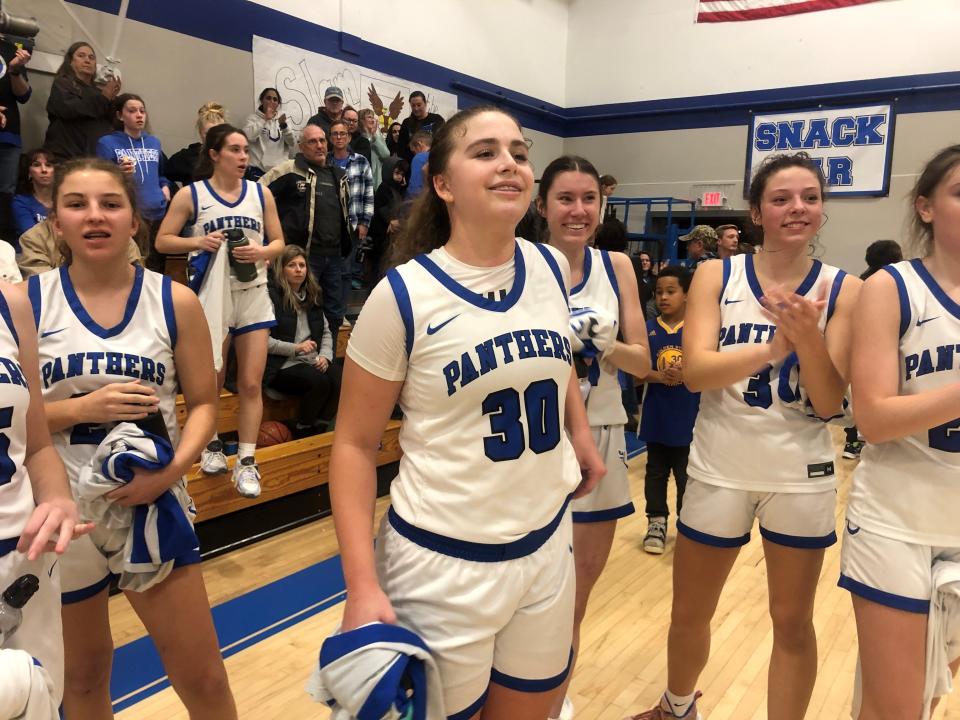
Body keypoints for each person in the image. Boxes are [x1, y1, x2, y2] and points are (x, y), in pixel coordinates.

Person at [328, 106, 605, 720]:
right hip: (441, 566)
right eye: (484, 152)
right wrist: (360, 584)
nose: (509, 162)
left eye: (519, 151)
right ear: (444, 184)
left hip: (544, 546)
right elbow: (351, 446)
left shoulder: (548, 266)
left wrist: (579, 433)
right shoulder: (400, 297)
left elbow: (554, 363)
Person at [626, 151, 860, 720]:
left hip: (798, 473)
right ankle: (677, 707)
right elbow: (696, 371)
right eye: (781, 199)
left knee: (793, 621)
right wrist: (774, 349)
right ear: (757, 211)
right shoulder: (716, 274)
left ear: (823, 209)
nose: (796, 208)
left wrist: (808, 338)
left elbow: (830, 405)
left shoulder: (843, 289)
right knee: (689, 612)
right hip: (718, 466)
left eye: (809, 197)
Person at [30, 157, 236, 719]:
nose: (94, 216)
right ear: (55, 220)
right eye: (77, 204)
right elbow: (14, 416)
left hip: (150, 504)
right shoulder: (26, 302)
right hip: (60, 510)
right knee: (84, 676)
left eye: (110, 203)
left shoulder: (174, 301)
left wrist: (171, 474)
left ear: (133, 221)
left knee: (201, 675)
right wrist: (83, 408)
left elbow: (203, 407)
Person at [840, 145, 960, 720]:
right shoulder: (893, 288)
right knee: (896, 709)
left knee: (925, 697)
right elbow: (874, 419)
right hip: (895, 522)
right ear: (926, 207)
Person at [538, 155, 650, 720]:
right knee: (524, 593)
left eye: (588, 199)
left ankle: (553, 704)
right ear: (543, 207)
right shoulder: (521, 263)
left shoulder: (617, 268)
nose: (578, 210)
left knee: (573, 601)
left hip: (602, 434)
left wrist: (603, 343)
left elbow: (646, 363)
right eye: (565, 198)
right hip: (536, 438)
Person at [157, 124, 285, 499]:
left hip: (254, 293)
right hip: (211, 296)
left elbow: (279, 242)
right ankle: (211, 446)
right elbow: (163, 240)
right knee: (211, 379)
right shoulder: (192, 194)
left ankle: (246, 461)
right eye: (235, 150)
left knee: (250, 382)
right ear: (214, 154)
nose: (244, 157)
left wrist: (262, 252)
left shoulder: (261, 194)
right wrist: (199, 240)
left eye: (246, 150)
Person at [0, 276, 89, 711]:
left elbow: (36, 445)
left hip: (25, 557)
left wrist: (56, 498)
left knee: (46, 704)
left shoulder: (12, 302)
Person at [259, 123, 353, 336]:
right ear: (301, 146)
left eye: (322, 140)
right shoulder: (289, 170)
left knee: (335, 311)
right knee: (300, 311)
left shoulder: (339, 176)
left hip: (335, 257)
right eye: (312, 141)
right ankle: (300, 358)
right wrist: (270, 237)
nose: (319, 145)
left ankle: (326, 357)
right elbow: (255, 194)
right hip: (303, 256)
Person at [638, 266, 700, 555]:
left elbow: (709, 370)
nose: (663, 297)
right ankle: (656, 521)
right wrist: (660, 376)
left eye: (671, 291)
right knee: (655, 472)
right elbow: (637, 373)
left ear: (687, 295)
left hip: (691, 418)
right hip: (657, 415)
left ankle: (687, 525)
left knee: (687, 475)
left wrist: (687, 371)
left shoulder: (699, 331)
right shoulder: (648, 330)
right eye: (659, 292)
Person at [265, 246, 341, 436]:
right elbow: (262, 342)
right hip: (280, 364)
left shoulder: (312, 294)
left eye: (302, 265)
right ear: (281, 269)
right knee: (319, 382)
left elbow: (325, 332)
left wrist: (325, 356)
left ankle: (321, 426)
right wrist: (296, 348)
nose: (298, 269)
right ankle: (303, 429)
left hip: (310, 359)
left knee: (340, 378)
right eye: (292, 265)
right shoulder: (270, 296)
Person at [96, 93, 172, 272]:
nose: (139, 115)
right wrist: (118, 172)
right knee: (133, 265)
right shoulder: (107, 143)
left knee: (156, 267)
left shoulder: (154, 142)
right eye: (132, 111)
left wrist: (165, 186)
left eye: (142, 111)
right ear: (120, 116)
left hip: (157, 212)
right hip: (131, 214)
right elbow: (100, 179)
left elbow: (161, 174)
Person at [43, 42, 119, 162]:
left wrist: (112, 100)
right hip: (65, 158)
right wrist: (104, 98)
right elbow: (69, 108)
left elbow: (108, 124)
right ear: (70, 61)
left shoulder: (98, 92)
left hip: (93, 160)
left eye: (91, 57)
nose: (87, 60)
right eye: (81, 56)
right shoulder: (62, 83)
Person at [328, 119, 374, 292]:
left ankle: (342, 312)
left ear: (348, 137)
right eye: (335, 134)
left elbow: (368, 194)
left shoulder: (361, 162)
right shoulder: (325, 161)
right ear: (330, 137)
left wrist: (364, 223)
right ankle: (332, 312)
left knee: (347, 271)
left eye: (343, 134)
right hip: (329, 225)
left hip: (353, 224)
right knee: (331, 271)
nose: (339, 137)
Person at [0, 42, 33, 236]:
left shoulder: (10, 48)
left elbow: (23, 95)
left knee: (5, 197)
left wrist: (14, 70)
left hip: (8, 136)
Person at [165, 101, 227, 187]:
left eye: (218, 132)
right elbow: (164, 174)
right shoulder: (186, 157)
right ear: (201, 133)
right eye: (208, 133)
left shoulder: (232, 156)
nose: (214, 138)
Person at [368, 156, 408, 282]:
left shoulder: (397, 189)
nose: (399, 177)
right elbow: (382, 209)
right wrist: (390, 220)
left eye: (401, 174)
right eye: (396, 173)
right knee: (381, 268)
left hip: (392, 235)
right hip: (382, 236)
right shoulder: (384, 188)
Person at [242, 87, 296, 180]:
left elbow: (292, 143)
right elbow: (249, 137)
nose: (272, 101)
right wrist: (265, 119)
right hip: (258, 171)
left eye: (275, 99)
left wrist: (283, 126)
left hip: (279, 172)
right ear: (262, 100)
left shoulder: (283, 120)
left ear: (278, 104)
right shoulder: (252, 119)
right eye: (268, 98)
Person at [12, 148, 54, 249]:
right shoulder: (20, 202)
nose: (44, 170)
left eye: (48, 165)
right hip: (30, 257)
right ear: (29, 173)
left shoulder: (64, 202)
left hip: (60, 256)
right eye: (36, 165)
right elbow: (33, 237)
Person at [396, 90, 444, 162]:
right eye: (413, 105)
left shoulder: (437, 120)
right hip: (413, 164)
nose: (416, 108)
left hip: (434, 163)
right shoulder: (407, 123)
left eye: (419, 105)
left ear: (425, 103)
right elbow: (401, 149)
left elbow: (444, 142)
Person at [359, 107, 390, 188]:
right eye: (369, 117)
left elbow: (386, 155)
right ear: (361, 120)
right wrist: (369, 136)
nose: (373, 120)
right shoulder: (359, 137)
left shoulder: (378, 137)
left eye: (373, 117)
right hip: (362, 180)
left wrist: (374, 137)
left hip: (377, 182)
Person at [405, 131, 431, 199]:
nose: (414, 154)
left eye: (413, 152)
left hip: (422, 204)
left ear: (419, 144)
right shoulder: (442, 156)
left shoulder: (420, 158)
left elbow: (414, 190)